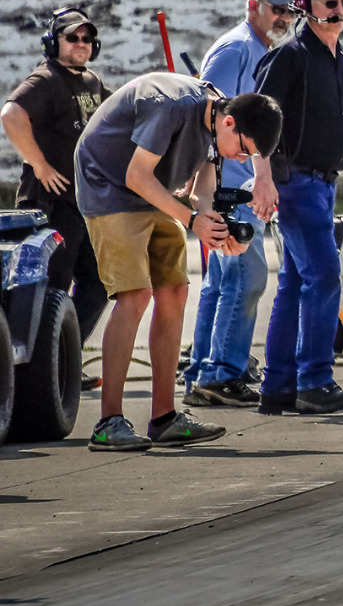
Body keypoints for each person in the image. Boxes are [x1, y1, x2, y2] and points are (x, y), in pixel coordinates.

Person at [75, 73, 282, 451]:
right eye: (245, 150)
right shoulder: (170, 106)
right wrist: (190, 221)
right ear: (230, 123)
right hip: (110, 185)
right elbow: (136, 175)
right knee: (134, 294)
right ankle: (108, 424)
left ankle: (164, 418)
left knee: (174, 291)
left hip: (153, 191)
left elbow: (202, 193)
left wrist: (216, 232)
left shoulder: (219, 115)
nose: (243, 159)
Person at [252, 0, 343, 416]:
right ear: (306, 6)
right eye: (331, 2)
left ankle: (279, 387)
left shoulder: (342, 61)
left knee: (293, 284)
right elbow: (256, 120)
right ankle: (315, 381)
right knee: (324, 275)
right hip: (296, 181)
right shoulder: (290, 57)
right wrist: (263, 178)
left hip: (324, 184)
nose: (340, 11)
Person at [183, 0, 300, 408]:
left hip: (237, 188)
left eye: (290, 11)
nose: (284, 17)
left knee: (221, 282)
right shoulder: (236, 49)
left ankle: (205, 370)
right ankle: (221, 373)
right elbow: (205, 114)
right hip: (228, 189)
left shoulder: (263, 50)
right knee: (245, 279)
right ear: (255, 6)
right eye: (277, 9)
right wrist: (203, 190)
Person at [2, 8, 114, 389]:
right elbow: (11, 113)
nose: (80, 44)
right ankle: (41, 376)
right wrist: (40, 164)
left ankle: (63, 361)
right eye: (72, 37)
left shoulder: (92, 82)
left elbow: (118, 115)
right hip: (48, 204)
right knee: (54, 288)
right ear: (54, 43)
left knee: (98, 284)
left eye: (86, 38)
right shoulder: (46, 79)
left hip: (83, 203)